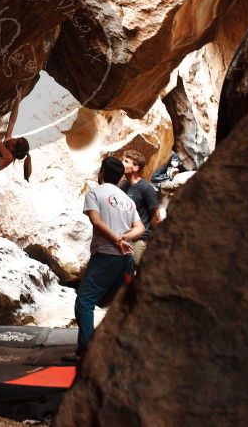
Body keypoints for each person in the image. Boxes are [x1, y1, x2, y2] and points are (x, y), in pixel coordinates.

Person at [69, 157, 144, 359]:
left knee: (84, 301)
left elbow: (96, 221)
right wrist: (124, 238)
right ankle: (121, 348)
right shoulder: (127, 199)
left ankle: (86, 351)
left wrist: (115, 239)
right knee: (119, 302)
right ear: (120, 177)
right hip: (126, 257)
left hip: (106, 255)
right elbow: (141, 228)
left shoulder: (94, 193)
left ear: (101, 172)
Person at [119, 150, 161, 265]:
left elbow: (156, 217)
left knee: (137, 271)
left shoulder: (146, 188)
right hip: (125, 238)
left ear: (136, 168)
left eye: (126, 162)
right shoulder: (123, 186)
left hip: (140, 240)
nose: (122, 163)